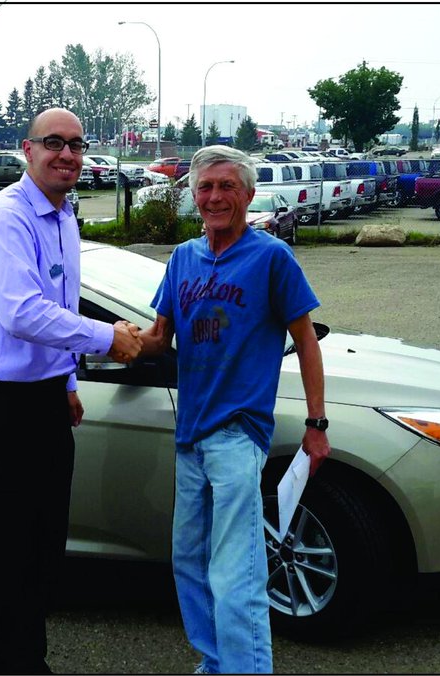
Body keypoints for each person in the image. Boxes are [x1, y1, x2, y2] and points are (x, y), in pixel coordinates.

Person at [0, 107, 142, 674]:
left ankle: (25, 660)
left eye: (77, 146)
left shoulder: (63, 217)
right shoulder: (6, 218)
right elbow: (21, 313)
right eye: (54, 143)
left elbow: (59, 308)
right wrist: (108, 338)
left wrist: (65, 380)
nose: (67, 155)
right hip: (0, 408)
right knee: (2, 553)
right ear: (27, 149)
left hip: (43, 403)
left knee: (42, 548)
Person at [137, 145, 331, 674]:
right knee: (190, 564)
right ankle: (217, 660)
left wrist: (316, 423)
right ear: (193, 197)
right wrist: (106, 340)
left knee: (236, 569)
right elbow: (159, 338)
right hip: (190, 437)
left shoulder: (271, 258)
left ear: (248, 194)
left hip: (237, 433)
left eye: (227, 186)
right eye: (205, 187)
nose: (215, 196)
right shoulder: (182, 258)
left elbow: (307, 341)